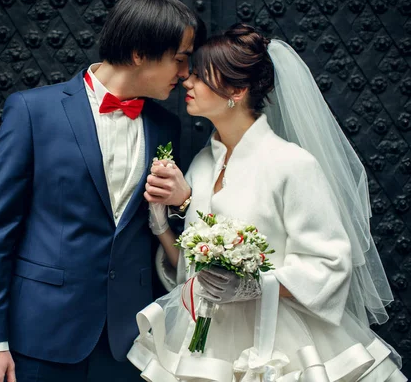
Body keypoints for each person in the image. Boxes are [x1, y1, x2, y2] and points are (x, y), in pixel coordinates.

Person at [128, 24, 407, 381]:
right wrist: (164, 223)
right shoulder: (201, 163)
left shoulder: (291, 164)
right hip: (207, 341)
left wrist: (253, 285)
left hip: (279, 340)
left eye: (200, 76)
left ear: (237, 90)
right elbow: (192, 272)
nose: (187, 82)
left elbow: (330, 263)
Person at [0, 0, 203, 382]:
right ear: (139, 53)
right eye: (180, 60)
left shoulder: (166, 126)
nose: (185, 74)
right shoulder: (32, 112)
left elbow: (158, 229)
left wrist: (182, 204)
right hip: (42, 337)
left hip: (129, 341)